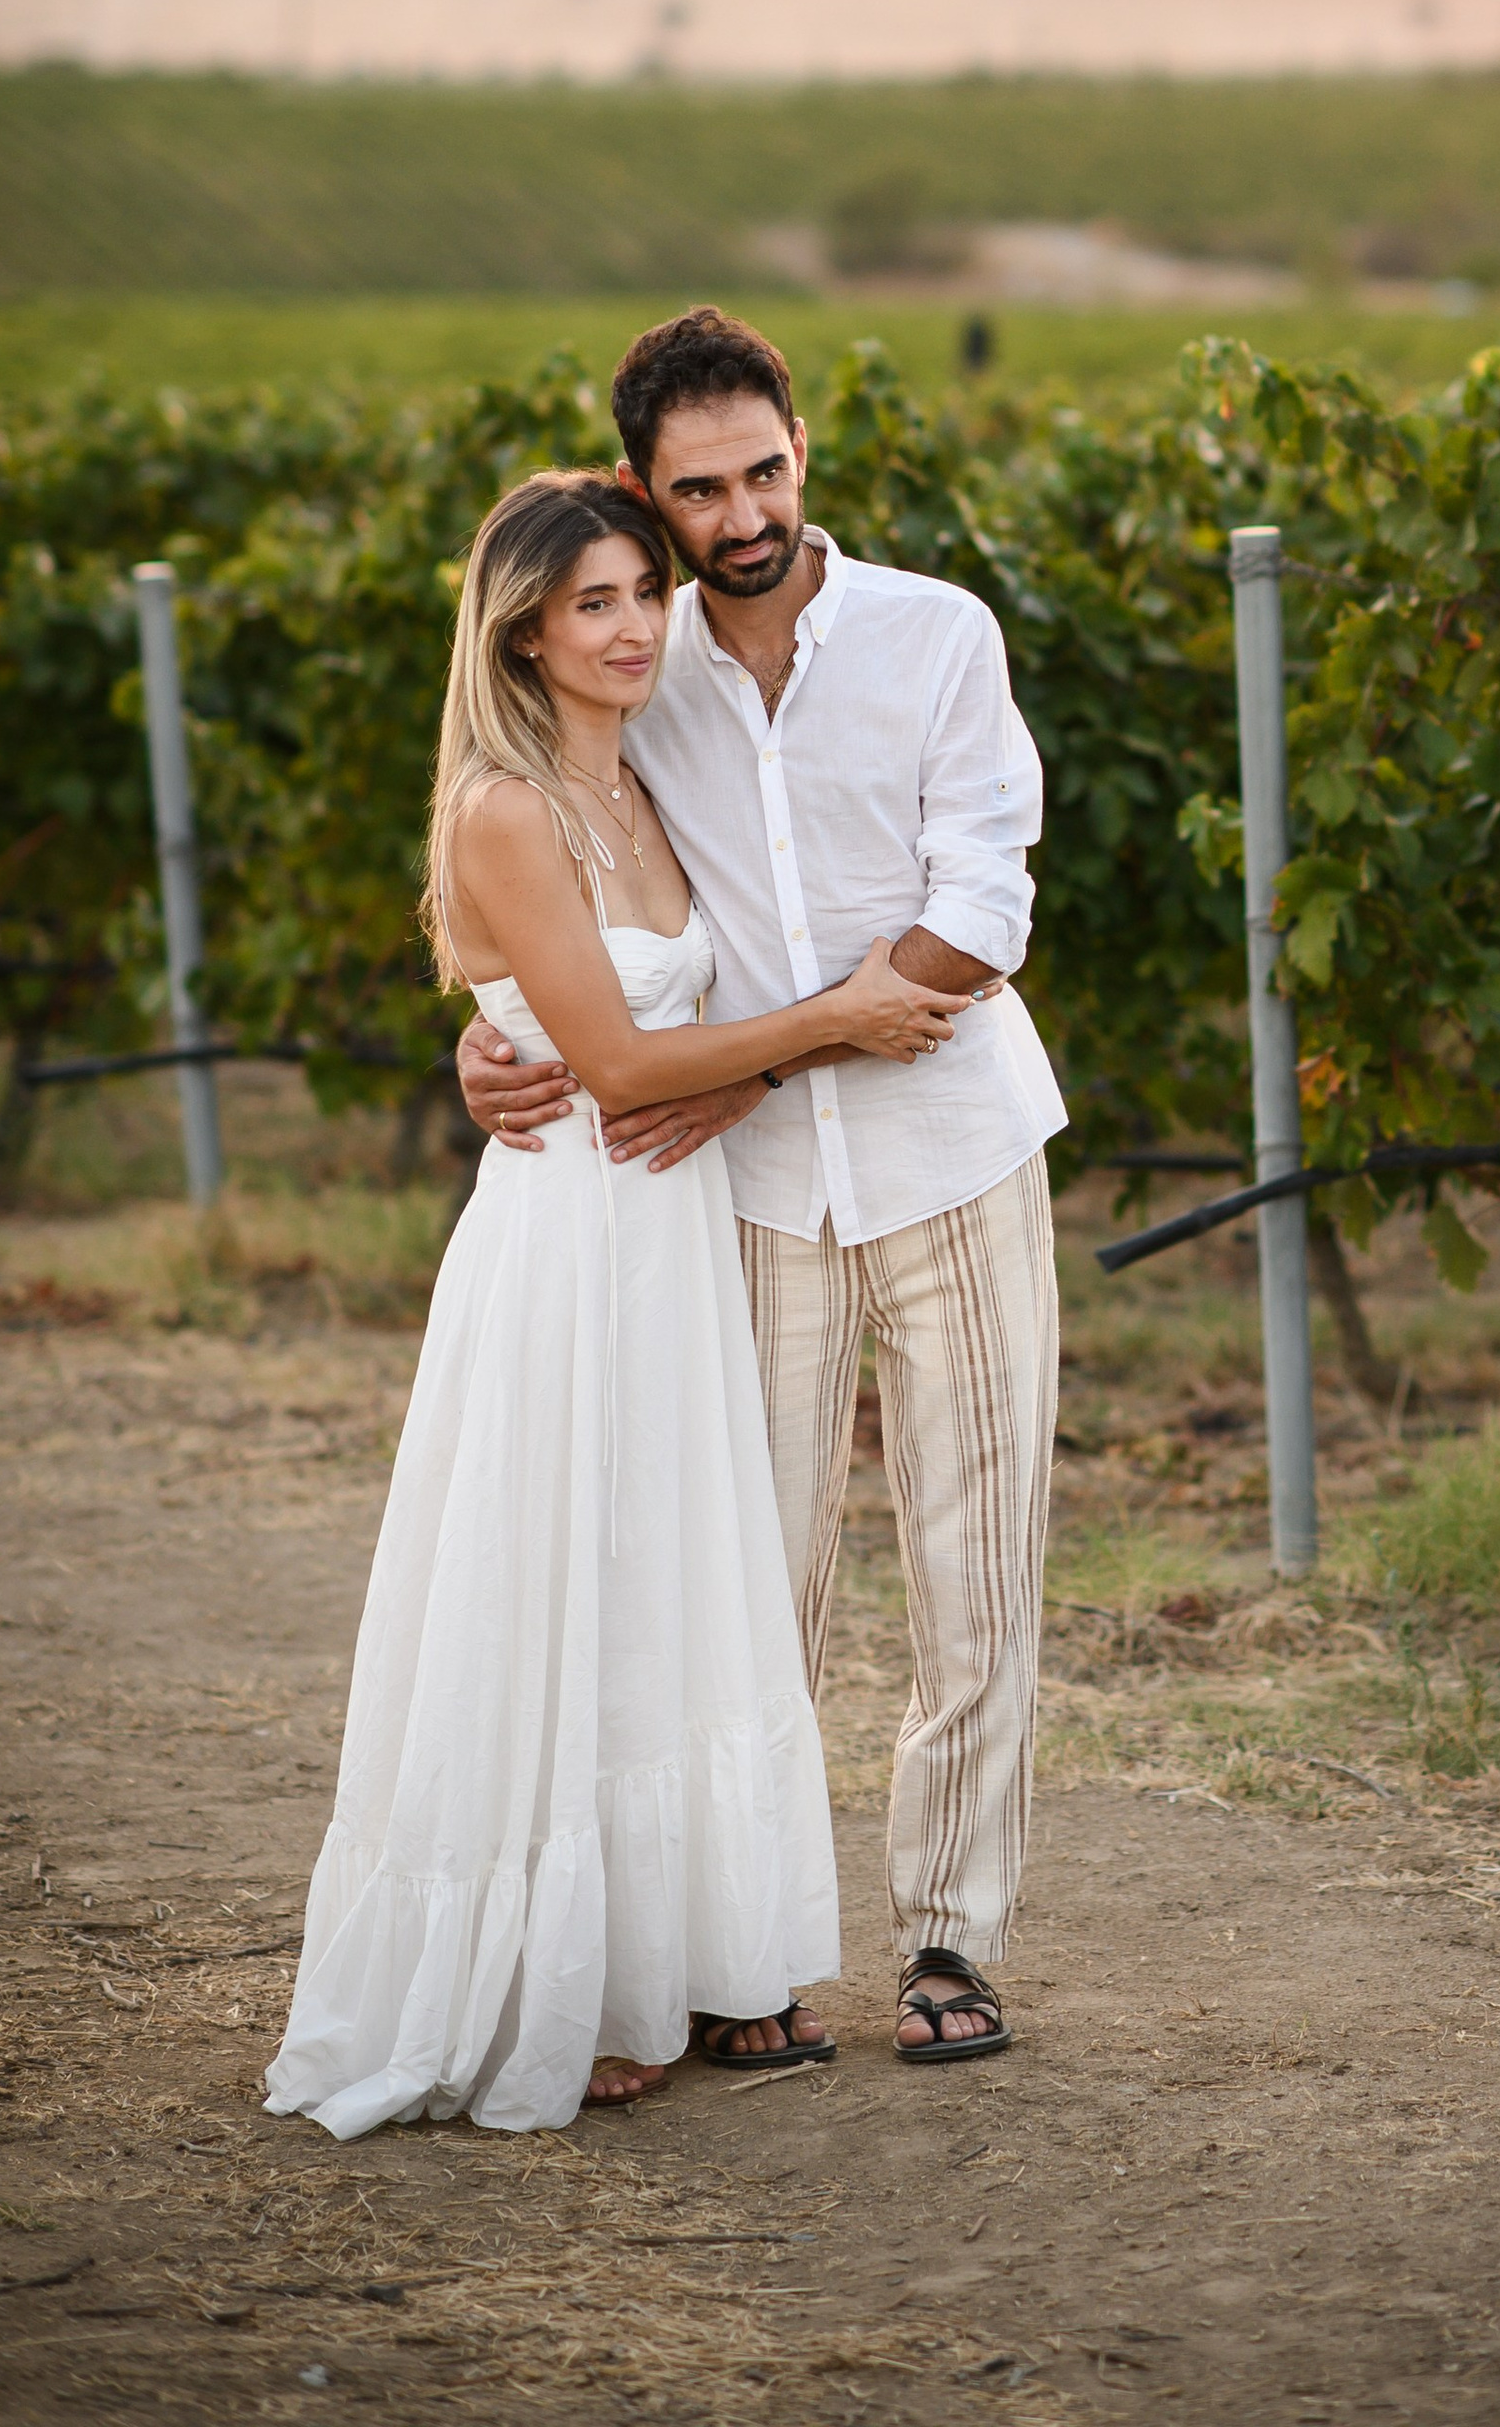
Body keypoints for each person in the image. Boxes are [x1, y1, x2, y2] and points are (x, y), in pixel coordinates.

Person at [267, 469, 980, 2138]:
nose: (637, 626)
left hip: (671, 1239)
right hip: (569, 1250)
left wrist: (821, 1015)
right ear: (523, 627)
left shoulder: (647, 779)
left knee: (653, 1590)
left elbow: (640, 1028)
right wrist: (842, 1019)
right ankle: (541, 1984)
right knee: (555, 1585)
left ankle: (646, 1972)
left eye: (645, 594)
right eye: (595, 602)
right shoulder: (505, 807)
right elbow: (612, 1062)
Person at [460, 308, 1065, 2065]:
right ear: (651, 500)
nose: (741, 518)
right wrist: (493, 1045)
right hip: (742, 1198)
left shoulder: (939, 637)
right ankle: (747, 1953)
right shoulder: (638, 685)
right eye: (699, 494)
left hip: (955, 1159)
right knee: (745, 1591)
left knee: (978, 1577)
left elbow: (986, 914)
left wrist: (782, 1053)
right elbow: (566, 919)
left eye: (764, 473)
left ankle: (951, 1945)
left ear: (804, 446)